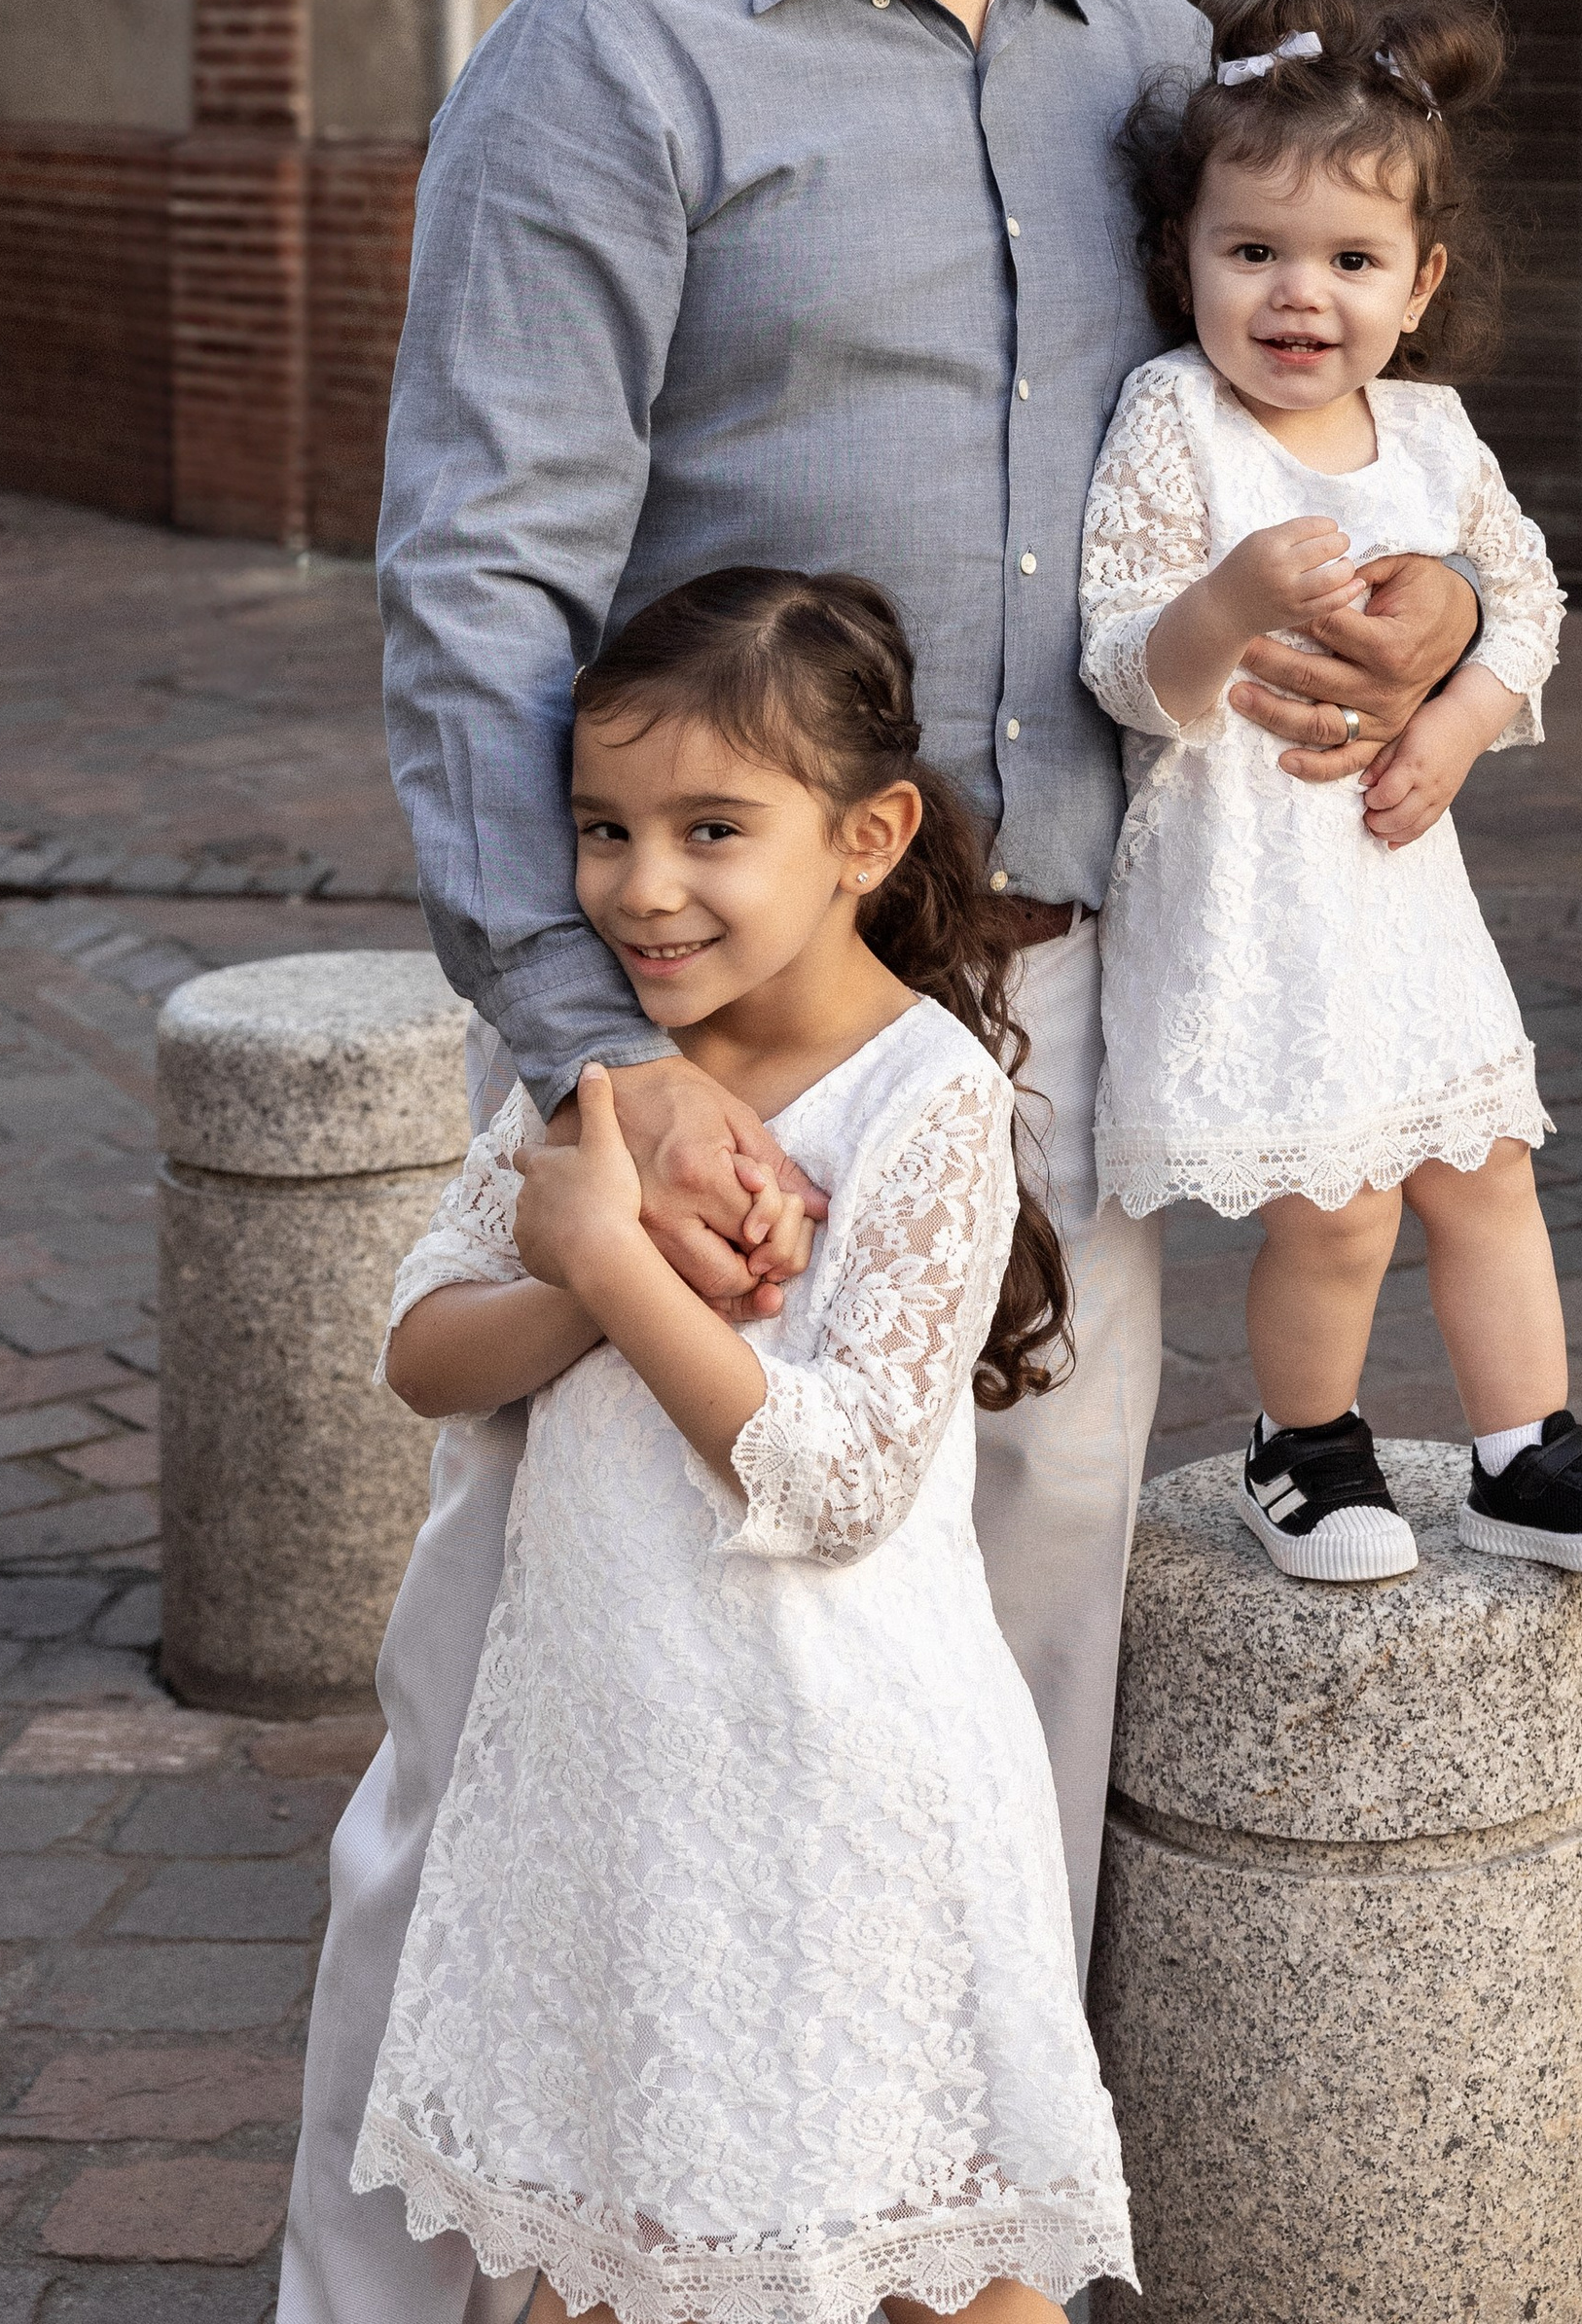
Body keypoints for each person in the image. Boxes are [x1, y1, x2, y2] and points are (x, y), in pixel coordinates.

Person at [282, 0, 1483, 2322]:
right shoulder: (614, 57)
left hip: (1055, 1016)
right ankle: (407, 2279)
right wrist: (584, 1064)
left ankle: (888, 2251)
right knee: (538, 1704)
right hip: (691, 1030)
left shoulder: (1172, 78)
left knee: (984, 1700)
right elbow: (479, 584)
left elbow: (1314, 449)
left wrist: (1440, 638)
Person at [353, 569, 1133, 2324]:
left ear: (869, 836)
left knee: (933, 2257)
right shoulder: (610, 1079)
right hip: (621, 1774)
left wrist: (617, 1261)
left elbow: (842, 1482)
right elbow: (423, 1348)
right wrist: (589, 1260)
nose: (643, 886)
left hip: (847, 1771)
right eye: (601, 828)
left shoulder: (928, 1097)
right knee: (606, 2245)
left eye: (713, 828)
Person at [1078, 0, 1582, 1587]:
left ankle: (1526, 1450)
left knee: (1484, 1169)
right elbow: (1122, 666)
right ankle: (1308, 1449)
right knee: (1339, 1206)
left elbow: (1534, 596)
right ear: (1185, 260)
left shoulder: (1431, 438)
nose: (1302, 296)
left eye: (1351, 260)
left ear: (1418, 282)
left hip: (1396, 871)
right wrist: (1226, 605)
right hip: (1246, 873)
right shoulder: (1175, 422)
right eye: (1255, 253)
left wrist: (1457, 722)